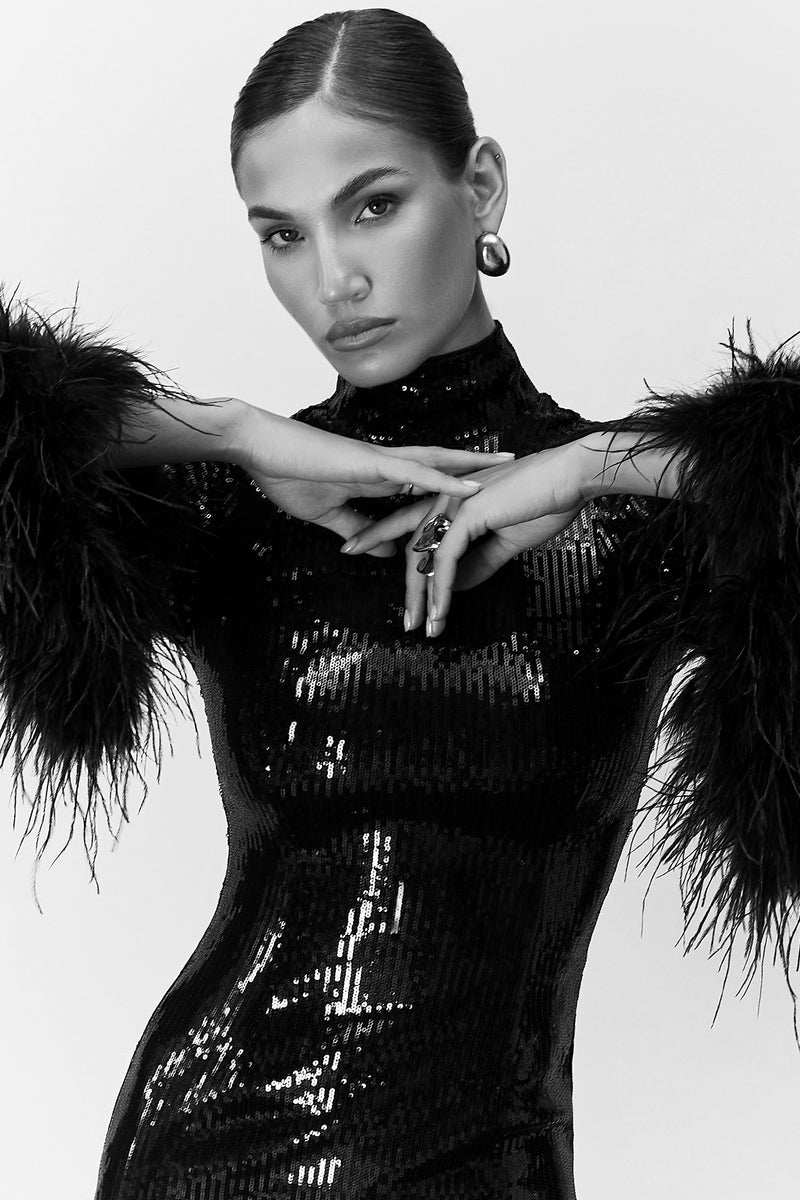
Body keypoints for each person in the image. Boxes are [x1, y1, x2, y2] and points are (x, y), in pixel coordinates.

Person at [2, 8, 799, 1199]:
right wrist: (226, 430)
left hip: (495, 1160)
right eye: (283, 234)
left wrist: (595, 464)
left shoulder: (637, 526)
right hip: (212, 1145)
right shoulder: (233, 514)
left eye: (372, 205)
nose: (332, 280)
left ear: (479, 187)